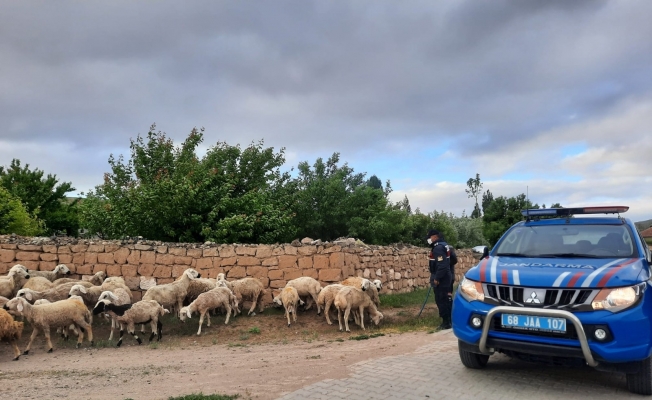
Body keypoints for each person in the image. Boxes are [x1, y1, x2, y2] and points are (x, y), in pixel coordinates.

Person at [427, 229, 452, 330]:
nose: (429, 239)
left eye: (430, 237)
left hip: (442, 278)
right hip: (447, 275)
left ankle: (446, 322)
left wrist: (437, 278)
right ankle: (449, 320)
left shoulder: (438, 248)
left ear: (434, 237)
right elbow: (452, 260)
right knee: (446, 298)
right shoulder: (445, 245)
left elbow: (442, 265)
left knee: (441, 299)